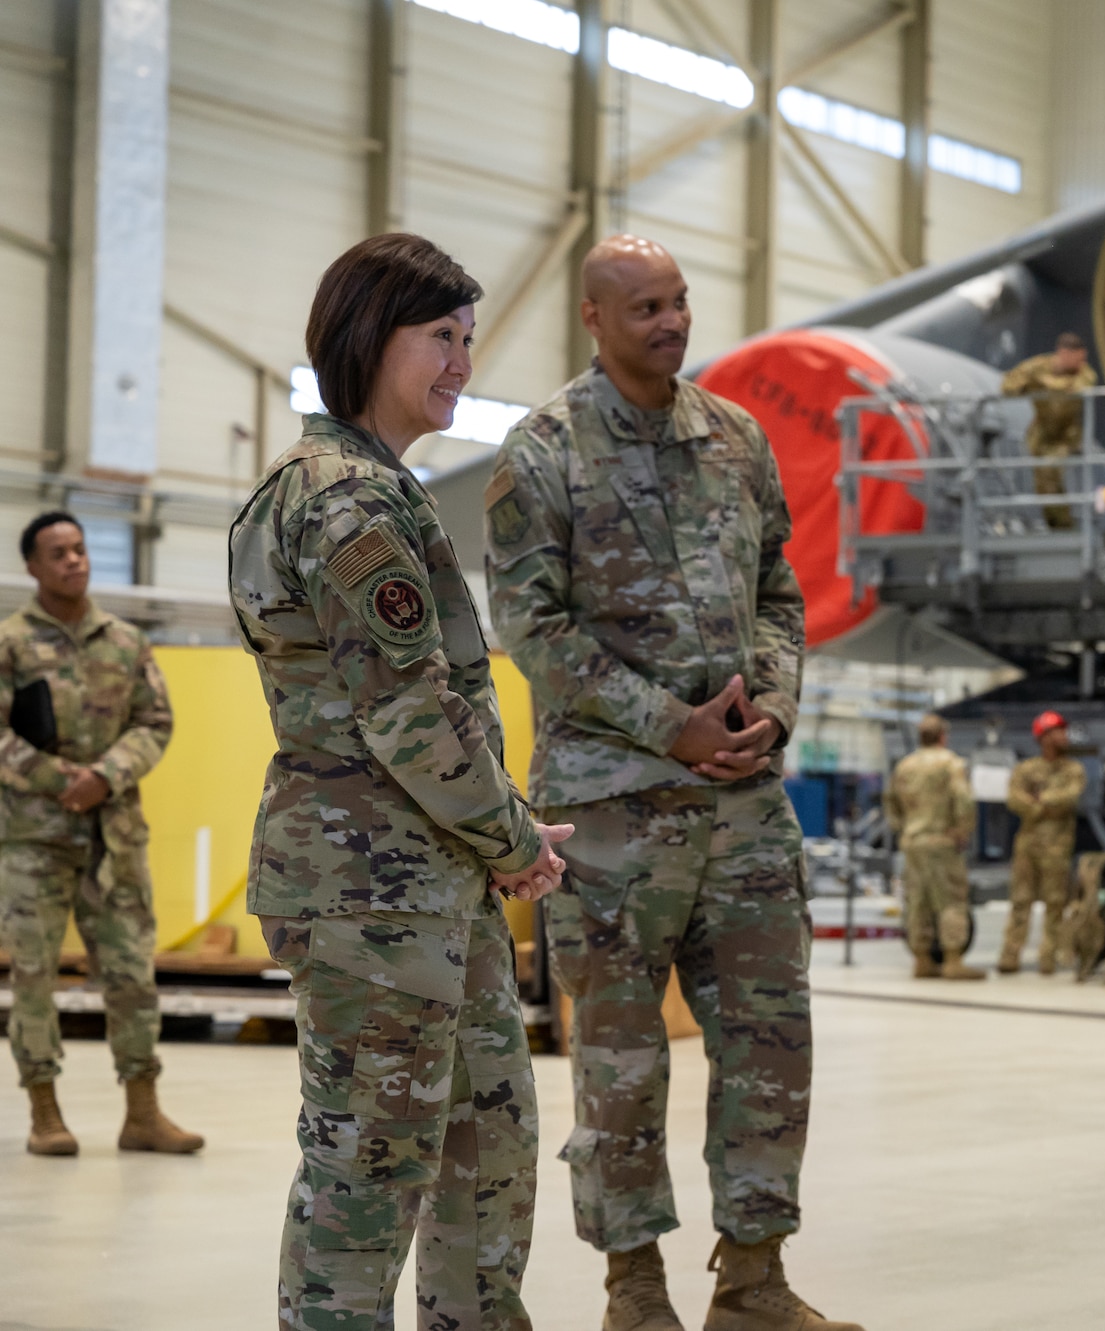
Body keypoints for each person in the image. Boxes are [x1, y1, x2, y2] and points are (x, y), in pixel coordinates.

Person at [486, 233, 861, 1331]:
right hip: (610, 814)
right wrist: (672, 727)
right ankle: (634, 1291)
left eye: (680, 301)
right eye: (645, 305)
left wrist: (775, 710)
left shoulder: (736, 437)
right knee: (617, 1062)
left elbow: (779, 594)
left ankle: (752, 1280)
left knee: (769, 1040)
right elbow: (531, 628)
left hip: (742, 807)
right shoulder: (541, 451)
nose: (671, 321)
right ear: (596, 318)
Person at [229, 233, 572, 1331]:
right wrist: (515, 837)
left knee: (484, 1145)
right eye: (440, 335)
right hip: (370, 898)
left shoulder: (382, 487)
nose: (461, 360)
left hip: (429, 888)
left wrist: (494, 840)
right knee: (366, 1179)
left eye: (469, 337)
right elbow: (412, 712)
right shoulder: (347, 503)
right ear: (368, 335)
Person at [0, 512, 199, 1157]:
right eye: (57, 553)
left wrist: (106, 776)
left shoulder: (125, 641)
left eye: (80, 549)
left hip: (114, 837)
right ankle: (44, 1114)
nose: (74, 561)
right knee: (33, 974)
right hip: (33, 840)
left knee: (131, 973)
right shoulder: (9, 644)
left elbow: (156, 721)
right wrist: (58, 778)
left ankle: (142, 1113)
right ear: (32, 566)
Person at [884, 714, 984, 981]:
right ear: (943, 736)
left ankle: (922, 959)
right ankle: (953, 959)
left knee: (918, 901)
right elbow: (963, 798)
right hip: (941, 841)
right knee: (951, 899)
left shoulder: (905, 766)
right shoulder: (950, 763)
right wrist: (962, 831)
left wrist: (904, 828)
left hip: (913, 842)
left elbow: (890, 802)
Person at [1000, 711, 1085, 975]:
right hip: (1027, 845)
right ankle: (1010, 955)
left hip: (1058, 846)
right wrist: (1041, 807)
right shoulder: (1025, 770)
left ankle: (1049, 957)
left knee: (1056, 902)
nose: (1063, 736)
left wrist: (1039, 800)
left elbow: (1069, 797)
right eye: (1057, 731)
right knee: (1020, 901)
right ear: (1043, 737)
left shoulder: (1073, 770)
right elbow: (1014, 799)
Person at [1001, 332, 1098, 529]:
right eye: (1078, 357)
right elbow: (1008, 386)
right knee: (1043, 485)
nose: (1081, 362)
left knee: (1051, 473)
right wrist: (1030, 386)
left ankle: (1064, 526)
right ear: (1064, 353)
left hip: (1066, 435)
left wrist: (1041, 384)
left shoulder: (1085, 373)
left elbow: (1079, 387)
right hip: (1041, 433)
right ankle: (1057, 525)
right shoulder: (1038, 366)